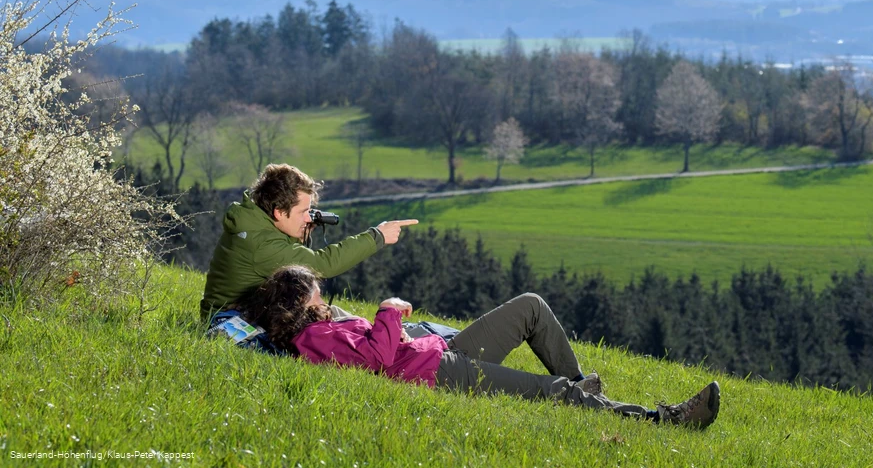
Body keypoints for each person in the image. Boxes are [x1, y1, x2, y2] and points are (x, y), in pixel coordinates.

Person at [239, 264, 721, 429]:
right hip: (435, 375)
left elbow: (376, 349)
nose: (324, 300)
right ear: (300, 302)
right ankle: (665, 420)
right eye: (317, 294)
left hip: (438, 354)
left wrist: (407, 331)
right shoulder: (313, 338)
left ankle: (583, 388)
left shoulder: (320, 332)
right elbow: (379, 360)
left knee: (530, 305)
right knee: (551, 393)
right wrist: (386, 310)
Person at [200, 163, 417, 320]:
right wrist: (377, 237)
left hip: (244, 310)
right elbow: (322, 264)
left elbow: (285, 265)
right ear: (278, 212)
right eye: (303, 211)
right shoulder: (260, 244)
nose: (308, 217)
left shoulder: (255, 221)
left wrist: (298, 235)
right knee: (322, 329)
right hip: (229, 321)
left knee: (333, 316)